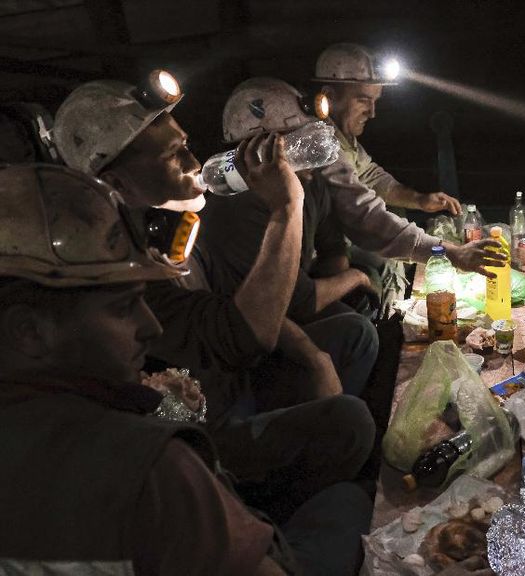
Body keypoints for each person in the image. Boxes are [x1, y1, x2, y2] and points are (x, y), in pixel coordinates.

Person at [53, 74, 375, 574]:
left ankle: (296, 497)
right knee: (351, 465)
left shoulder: (178, 221)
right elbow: (244, 337)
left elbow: (235, 300)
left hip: (227, 388)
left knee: (351, 335)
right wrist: (285, 208)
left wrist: (314, 355)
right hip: (200, 441)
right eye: (171, 156)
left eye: (184, 145)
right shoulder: (120, 264)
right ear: (116, 185)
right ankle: (271, 523)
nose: (191, 162)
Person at [0, 163, 288, 575]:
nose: (150, 327)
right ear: (28, 331)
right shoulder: (150, 467)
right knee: (345, 504)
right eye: (122, 307)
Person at [196, 77, 381, 404]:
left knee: (362, 294)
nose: (307, 151)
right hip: (254, 341)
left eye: (306, 135)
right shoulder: (240, 205)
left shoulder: (308, 182)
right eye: (294, 143)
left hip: (290, 305)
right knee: (358, 331)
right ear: (259, 151)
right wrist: (354, 279)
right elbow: (294, 302)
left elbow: (332, 246)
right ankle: (332, 417)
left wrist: (348, 283)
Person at [311, 43, 502, 304]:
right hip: (318, 264)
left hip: (343, 246)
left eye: (375, 101)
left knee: (399, 224)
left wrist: (419, 200)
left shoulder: (339, 136)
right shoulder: (318, 145)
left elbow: (371, 175)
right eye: (363, 100)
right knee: (386, 259)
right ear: (329, 96)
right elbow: (368, 219)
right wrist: (451, 253)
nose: (373, 112)